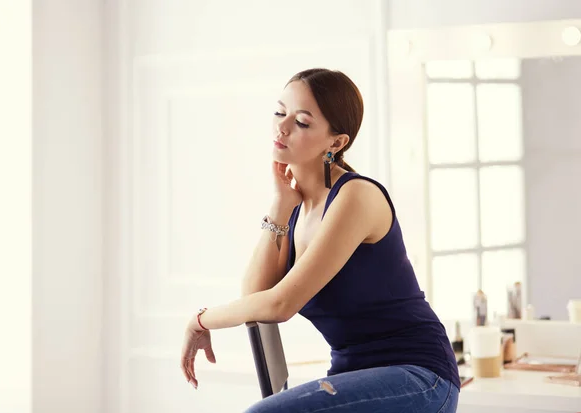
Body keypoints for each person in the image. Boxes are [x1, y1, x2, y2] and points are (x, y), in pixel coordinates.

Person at [180, 68, 460, 412]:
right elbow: (254, 299)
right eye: (280, 112)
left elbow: (279, 306)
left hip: (419, 376)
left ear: (336, 142)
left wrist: (200, 319)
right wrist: (280, 206)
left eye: (302, 122)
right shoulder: (297, 209)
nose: (282, 127)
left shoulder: (356, 196)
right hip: (353, 374)